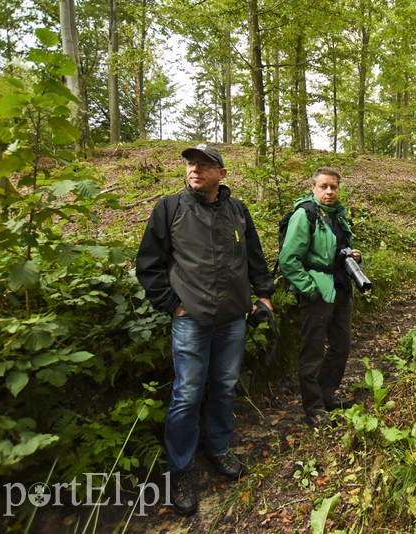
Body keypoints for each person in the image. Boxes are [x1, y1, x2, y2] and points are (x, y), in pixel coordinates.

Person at [135, 144, 275, 516]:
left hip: (232, 318)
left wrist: (264, 295)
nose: (194, 169)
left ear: (222, 174)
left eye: (204, 165)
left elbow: (255, 257)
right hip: (191, 320)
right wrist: (173, 305)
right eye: (190, 164)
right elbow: (149, 264)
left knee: (225, 386)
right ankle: (180, 470)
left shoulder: (237, 211)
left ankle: (217, 449)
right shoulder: (169, 208)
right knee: (186, 395)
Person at [278, 167, 361, 428]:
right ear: (313, 188)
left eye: (333, 187)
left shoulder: (338, 215)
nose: (329, 191)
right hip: (317, 293)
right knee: (312, 351)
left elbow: (337, 249)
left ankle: (328, 394)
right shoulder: (306, 214)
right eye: (323, 186)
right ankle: (313, 408)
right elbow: (289, 259)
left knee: (341, 346)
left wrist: (354, 256)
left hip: (340, 289)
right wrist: (310, 289)